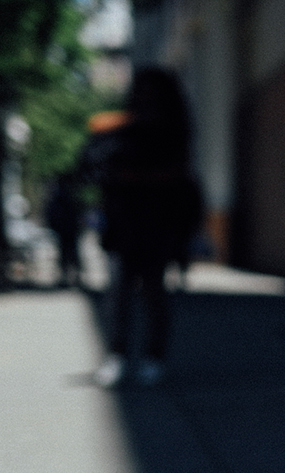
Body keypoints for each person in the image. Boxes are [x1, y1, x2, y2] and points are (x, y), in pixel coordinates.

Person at [93, 68, 204, 388]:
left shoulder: (172, 129)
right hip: (126, 221)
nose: (144, 96)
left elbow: (178, 173)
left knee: (153, 290)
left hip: (157, 220)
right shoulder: (123, 129)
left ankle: (153, 356)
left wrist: (136, 177)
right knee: (119, 290)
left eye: (149, 90)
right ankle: (118, 355)